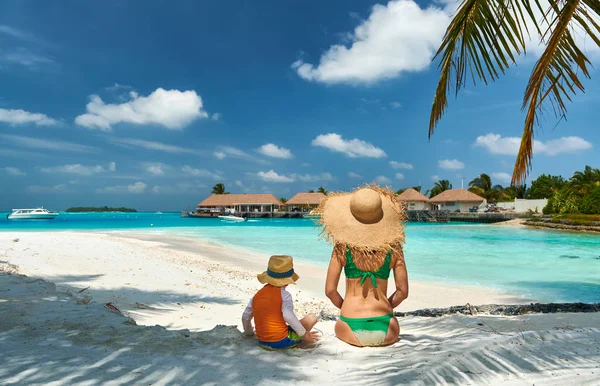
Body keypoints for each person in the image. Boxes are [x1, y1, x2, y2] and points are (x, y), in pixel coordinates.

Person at [318, 185, 409, 347]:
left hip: (350, 323)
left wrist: (345, 306)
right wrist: (385, 305)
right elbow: (402, 292)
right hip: (388, 327)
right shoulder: (394, 248)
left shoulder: (342, 248)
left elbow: (330, 291)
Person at [241, 255, 319, 350]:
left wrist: (249, 332)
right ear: (288, 281)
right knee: (311, 318)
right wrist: (304, 334)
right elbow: (287, 315)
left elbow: (246, 316)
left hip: (262, 341)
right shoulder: (285, 295)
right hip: (282, 341)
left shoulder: (257, 295)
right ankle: (299, 341)